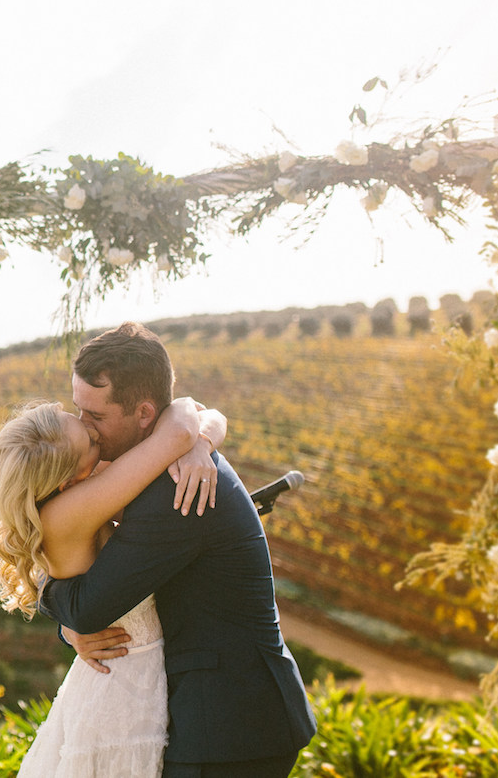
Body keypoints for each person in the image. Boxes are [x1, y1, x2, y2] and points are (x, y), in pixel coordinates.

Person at [43, 321, 316, 777]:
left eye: (96, 416)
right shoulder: (152, 464)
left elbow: (89, 607)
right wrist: (196, 430)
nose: (84, 426)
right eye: (79, 410)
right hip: (219, 713)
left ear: (145, 413)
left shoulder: (176, 490)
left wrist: (52, 604)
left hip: (232, 721)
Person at [0, 393, 220, 777]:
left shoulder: (63, 502)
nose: (95, 431)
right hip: (122, 692)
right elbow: (182, 424)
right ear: (68, 480)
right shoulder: (75, 506)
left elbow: (202, 416)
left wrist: (203, 442)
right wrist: (197, 442)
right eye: (90, 442)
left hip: (121, 679)